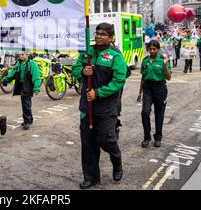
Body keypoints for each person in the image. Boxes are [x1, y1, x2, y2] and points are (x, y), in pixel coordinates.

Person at [72, 22, 126, 189]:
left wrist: (99, 93)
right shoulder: (87, 52)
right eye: (97, 33)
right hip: (87, 106)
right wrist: (82, 71)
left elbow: (119, 80)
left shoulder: (115, 56)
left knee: (106, 140)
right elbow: (74, 68)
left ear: (111, 38)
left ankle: (116, 161)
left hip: (107, 107)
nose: (98, 36)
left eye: (103, 34)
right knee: (88, 143)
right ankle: (91, 177)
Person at [137, 40, 172, 148]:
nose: (152, 51)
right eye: (150, 49)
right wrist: (140, 92)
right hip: (148, 88)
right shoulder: (145, 61)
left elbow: (168, 77)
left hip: (160, 88)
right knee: (145, 112)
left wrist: (165, 65)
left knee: (159, 114)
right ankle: (146, 137)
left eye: (154, 49)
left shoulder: (162, 60)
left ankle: (158, 137)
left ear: (158, 49)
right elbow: (143, 77)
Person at [2, 52, 41, 130]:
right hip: (21, 86)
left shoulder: (32, 64)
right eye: (20, 54)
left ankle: (27, 121)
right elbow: (13, 72)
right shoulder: (19, 63)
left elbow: (36, 76)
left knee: (26, 104)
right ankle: (29, 119)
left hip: (28, 86)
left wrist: (36, 88)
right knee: (26, 103)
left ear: (27, 55)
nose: (21, 56)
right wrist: (6, 79)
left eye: (23, 54)